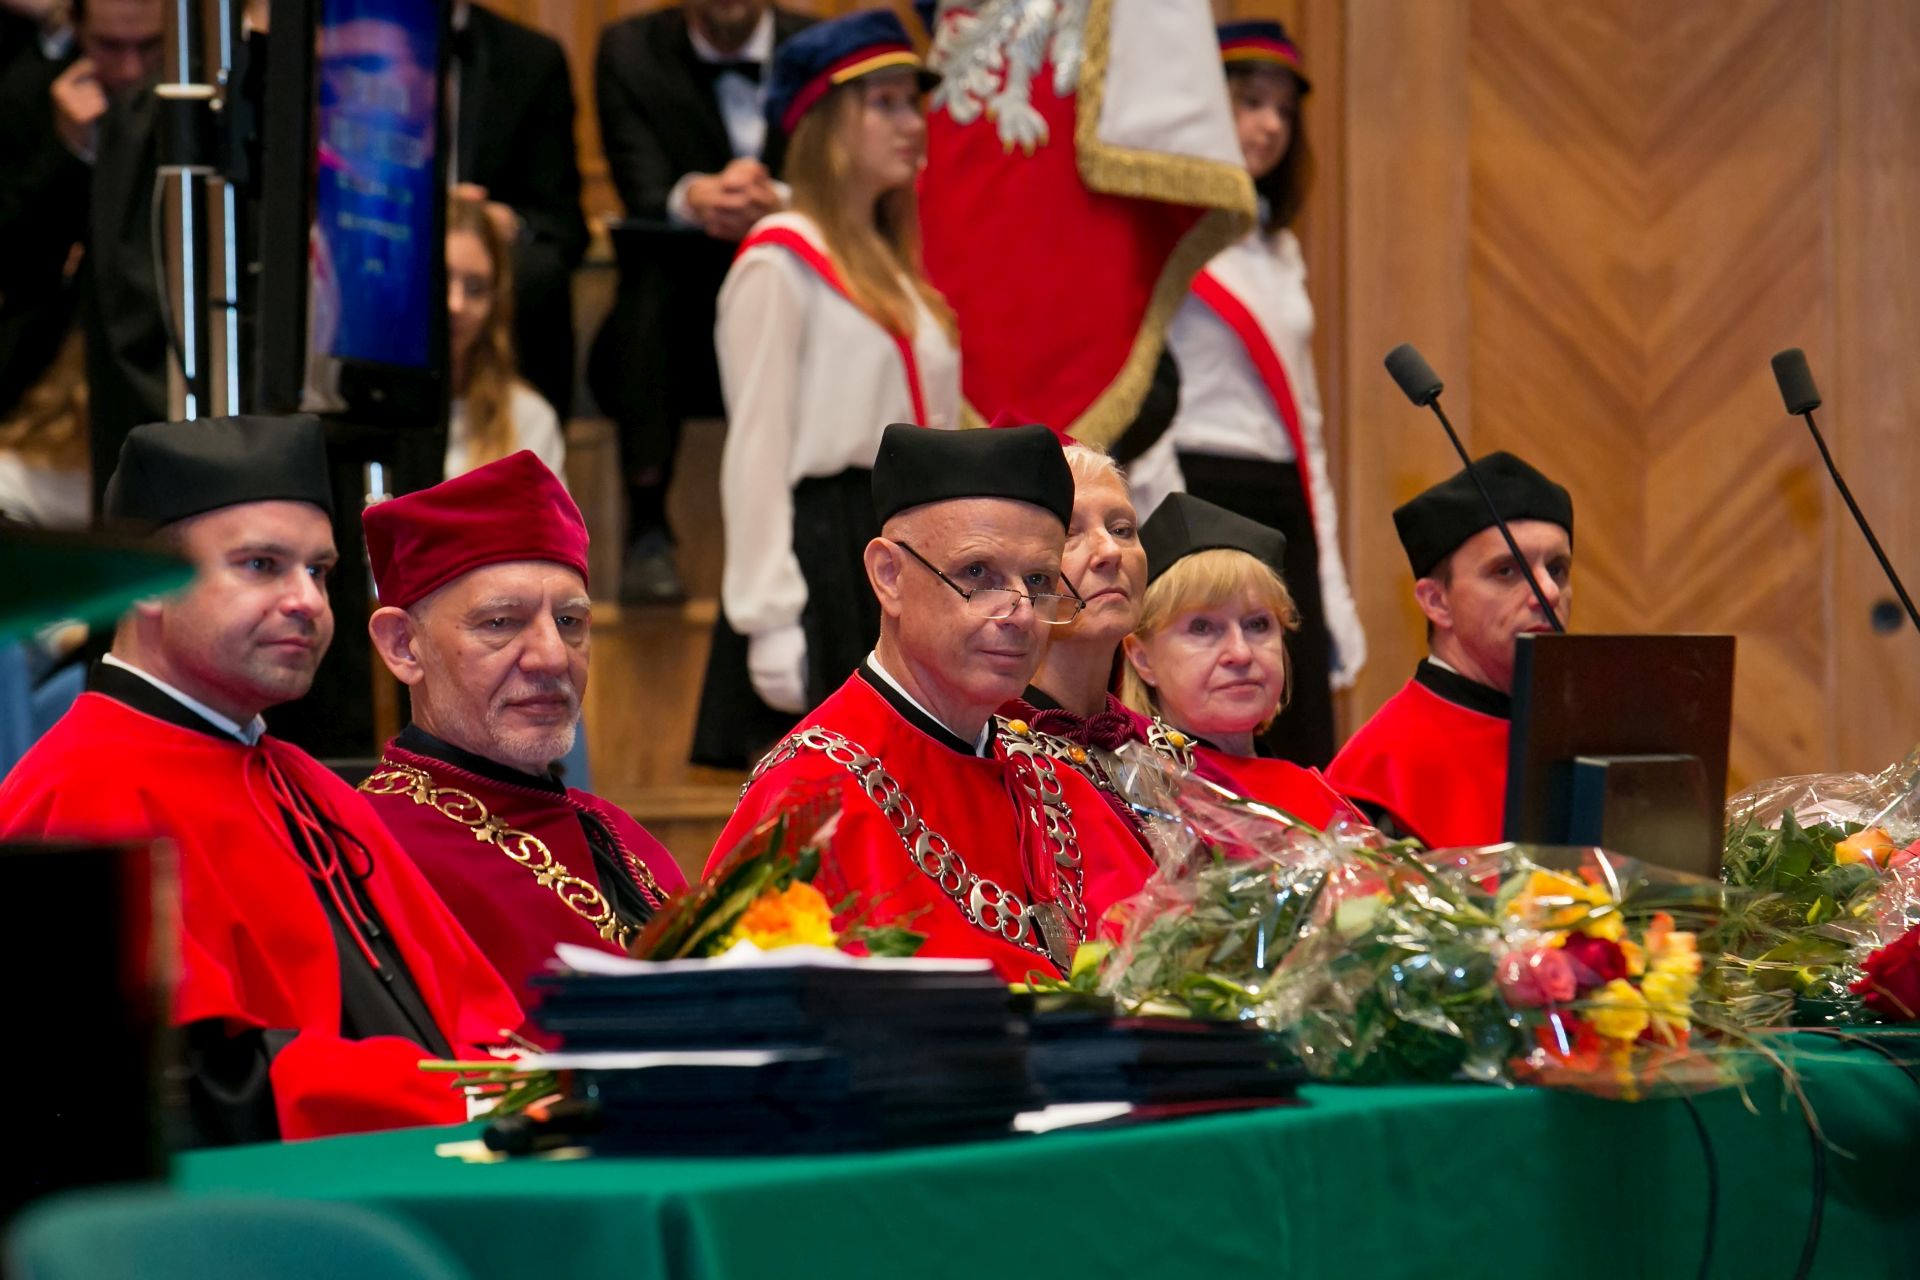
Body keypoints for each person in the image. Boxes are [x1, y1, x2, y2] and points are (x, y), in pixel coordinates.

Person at [0, 414, 521, 1145]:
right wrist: (455, 1101)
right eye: (260, 565)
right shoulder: (80, 789)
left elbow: (476, 1017)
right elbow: (189, 1085)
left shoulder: (308, 785)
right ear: (148, 588)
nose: (307, 600)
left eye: (319, 571)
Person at [707, 424, 1154, 982]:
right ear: (889, 576)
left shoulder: (1055, 779)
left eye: (1038, 580)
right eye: (977, 574)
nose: (1018, 611)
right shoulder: (811, 798)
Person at [691, 9, 959, 769]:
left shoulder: (898, 270)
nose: (912, 124)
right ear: (825, 122)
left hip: (904, 546)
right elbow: (758, 450)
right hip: (827, 556)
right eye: (885, 104)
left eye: (913, 103)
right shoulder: (780, 264)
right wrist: (770, 618)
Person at [359, 451, 687, 1012]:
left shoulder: (627, 838)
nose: (552, 657)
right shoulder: (368, 852)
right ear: (404, 646)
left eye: (569, 622)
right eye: (500, 623)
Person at [1128, 21, 1362, 769]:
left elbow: (1307, 424)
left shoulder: (1279, 247)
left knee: (1295, 733)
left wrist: (1333, 579)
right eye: (1251, 102)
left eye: (1284, 111)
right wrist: (1162, 509)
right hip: (1198, 488)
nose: (1270, 126)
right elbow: (1140, 391)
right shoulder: (1162, 231)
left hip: (1281, 497)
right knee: (1204, 716)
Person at [591, 0, 814, 602]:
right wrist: (694, 197)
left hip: (798, 300)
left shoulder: (816, 45)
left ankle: (822, 526)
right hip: (679, 326)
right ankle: (647, 529)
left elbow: (843, 177)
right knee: (647, 279)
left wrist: (782, 202)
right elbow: (641, 185)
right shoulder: (630, 49)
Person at [1327, 452, 1574, 848]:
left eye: (1557, 569)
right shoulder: (1378, 772)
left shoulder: (1595, 734)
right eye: (1506, 571)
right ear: (1437, 601)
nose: (1548, 592)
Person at [1119, 492, 1355, 829]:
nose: (1241, 653)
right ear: (1142, 659)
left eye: (1257, 625)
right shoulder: (1129, 800)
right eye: (1202, 628)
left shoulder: (1324, 795)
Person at [447, 1, 589, 422]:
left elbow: (564, 222)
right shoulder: (340, 42)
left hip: (491, 247)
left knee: (540, 273)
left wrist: (505, 222)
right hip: (379, 240)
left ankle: (531, 443)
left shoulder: (531, 57)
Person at [444, 194, 566, 481]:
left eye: (475, 289)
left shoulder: (529, 417)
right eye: (442, 279)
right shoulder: (364, 407)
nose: (456, 304)